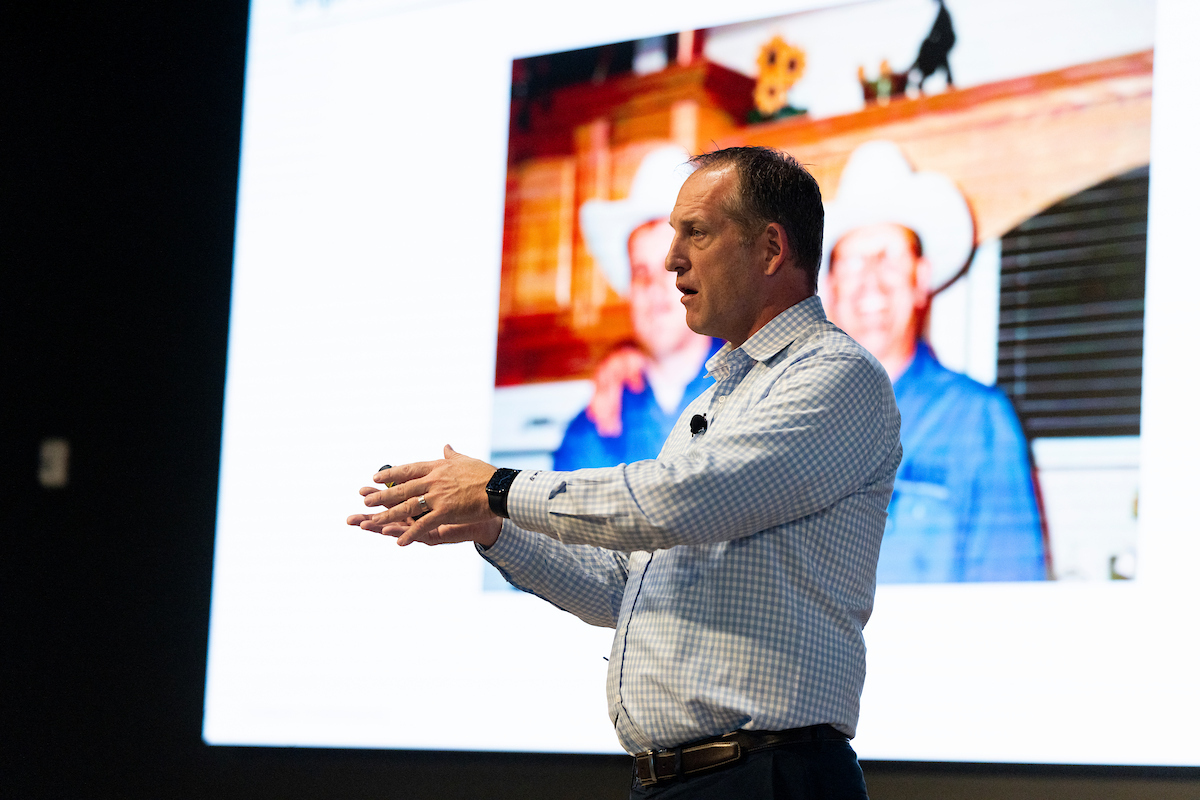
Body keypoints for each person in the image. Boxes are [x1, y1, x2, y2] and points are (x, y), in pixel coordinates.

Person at [349, 146, 902, 799]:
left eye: (695, 231)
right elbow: (624, 590)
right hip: (681, 782)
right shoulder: (711, 401)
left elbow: (679, 503)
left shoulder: (834, 376)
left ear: (772, 248)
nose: (672, 258)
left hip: (767, 780)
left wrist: (498, 485)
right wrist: (493, 525)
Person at [821, 140, 1045, 583]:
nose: (872, 283)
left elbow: (1013, 604)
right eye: (852, 263)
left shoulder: (978, 422)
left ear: (920, 279)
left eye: (888, 258)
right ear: (830, 289)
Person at [556, 146, 718, 470]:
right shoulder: (590, 433)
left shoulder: (759, 394)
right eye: (641, 272)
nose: (654, 288)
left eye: (672, 268)